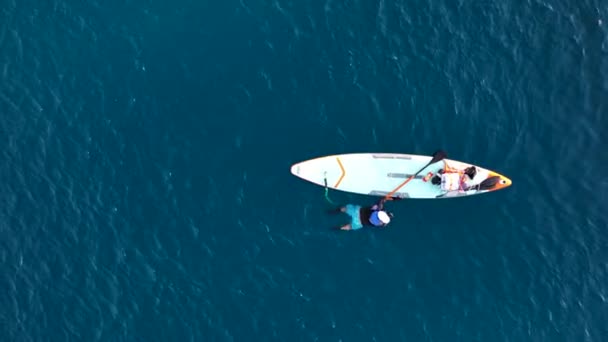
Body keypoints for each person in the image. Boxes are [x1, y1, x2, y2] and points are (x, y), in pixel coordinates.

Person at [329, 197, 399, 231]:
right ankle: (336, 228)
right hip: (359, 223)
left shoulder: (378, 209)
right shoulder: (380, 224)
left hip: (357, 212)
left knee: (344, 209)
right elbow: (384, 224)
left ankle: (334, 212)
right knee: (348, 227)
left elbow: (382, 200)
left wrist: (394, 198)